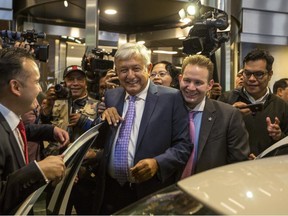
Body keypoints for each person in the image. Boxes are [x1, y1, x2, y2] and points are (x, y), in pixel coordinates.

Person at [90, 42, 191, 214]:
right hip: (111, 191)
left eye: (136, 68)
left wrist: (157, 163)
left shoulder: (171, 98)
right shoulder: (111, 96)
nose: (130, 76)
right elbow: (100, 139)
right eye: (123, 70)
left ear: (148, 68)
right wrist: (102, 117)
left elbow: (183, 145)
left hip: (150, 193)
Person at [0, 47, 69, 214]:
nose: (40, 89)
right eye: (37, 82)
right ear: (15, 87)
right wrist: (38, 171)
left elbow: (25, 130)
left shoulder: (12, 120)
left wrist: (50, 130)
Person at [40, 65, 101, 214]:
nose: (75, 83)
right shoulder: (54, 103)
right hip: (57, 174)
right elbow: (42, 133)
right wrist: (47, 108)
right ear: (64, 82)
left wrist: (84, 121)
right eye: (70, 79)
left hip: (85, 175)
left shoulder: (97, 105)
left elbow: (101, 139)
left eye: (79, 79)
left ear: (86, 83)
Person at [178, 54, 250, 176]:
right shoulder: (167, 110)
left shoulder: (229, 116)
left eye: (198, 82)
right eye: (187, 80)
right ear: (180, 79)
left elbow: (238, 164)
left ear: (210, 85)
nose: (191, 87)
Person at [218, 48, 288, 156]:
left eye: (258, 74)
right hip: (233, 168)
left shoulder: (282, 106)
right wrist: (231, 116)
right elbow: (212, 137)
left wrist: (279, 136)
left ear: (270, 74)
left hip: (267, 169)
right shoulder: (227, 99)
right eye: (247, 73)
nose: (251, 79)